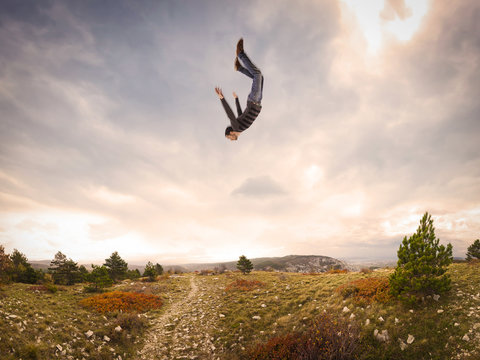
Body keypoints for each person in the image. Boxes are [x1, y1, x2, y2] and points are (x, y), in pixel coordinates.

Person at [215, 38, 264, 141]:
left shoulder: (236, 127)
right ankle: (239, 68)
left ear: (231, 132)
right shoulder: (240, 128)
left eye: (229, 137)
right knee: (259, 77)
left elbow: (230, 114)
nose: (231, 140)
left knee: (257, 75)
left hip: (253, 101)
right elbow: (240, 114)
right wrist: (236, 99)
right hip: (257, 101)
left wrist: (222, 98)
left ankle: (240, 54)